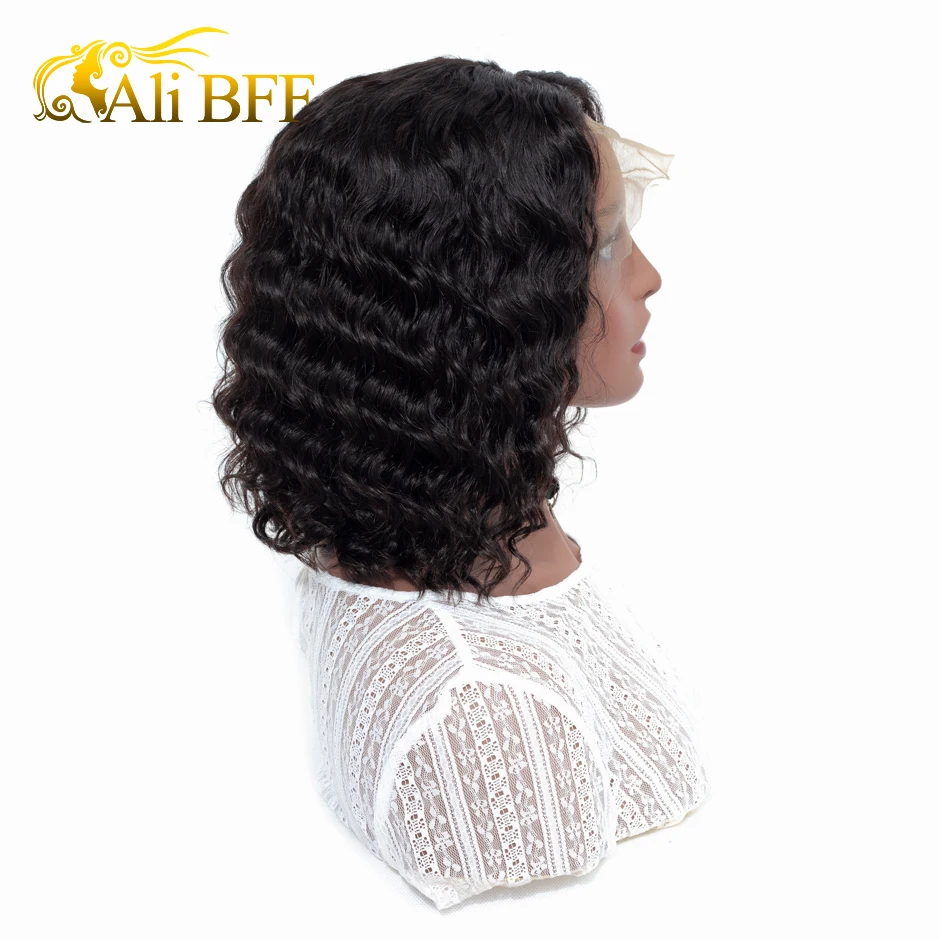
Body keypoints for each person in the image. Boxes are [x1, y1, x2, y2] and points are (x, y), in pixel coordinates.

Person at [211, 55, 711, 910]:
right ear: (479, 306)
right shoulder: (483, 720)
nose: (648, 276)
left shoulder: (443, 525)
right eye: (603, 246)